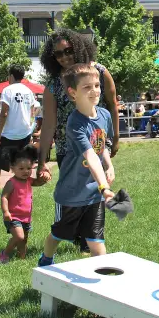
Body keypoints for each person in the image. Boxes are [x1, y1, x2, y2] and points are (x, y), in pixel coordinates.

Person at [36, 29, 119, 254]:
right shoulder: (54, 86)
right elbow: (49, 126)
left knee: (94, 190)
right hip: (68, 151)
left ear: (79, 47)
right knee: (77, 193)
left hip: (97, 143)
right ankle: (68, 233)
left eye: (68, 51)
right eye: (58, 54)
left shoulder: (99, 72)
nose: (63, 57)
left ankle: (89, 239)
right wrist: (42, 160)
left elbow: (112, 104)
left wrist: (115, 139)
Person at [0, 65, 35, 196]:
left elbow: (4, 113)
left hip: (9, 133)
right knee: (24, 160)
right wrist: (30, 128)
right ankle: (23, 186)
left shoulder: (7, 90)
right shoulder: (28, 91)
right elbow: (33, 110)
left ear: (11, 76)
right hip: (25, 132)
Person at [0, 145, 51, 264]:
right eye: (21, 168)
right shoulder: (11, 183)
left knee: (24, 240)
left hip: (26, 217)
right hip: (13, 216)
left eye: (28, 168)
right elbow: (4, 197)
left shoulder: (28, 180)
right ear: (12, 168)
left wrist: (44, 177)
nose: (26, 171)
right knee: (19, 237)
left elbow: (38, 182)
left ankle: (21, 259)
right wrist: (6, 212)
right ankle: (5, 253)